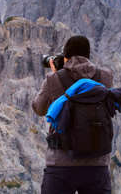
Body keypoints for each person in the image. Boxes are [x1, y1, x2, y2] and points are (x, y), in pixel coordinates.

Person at [32, 35, 113, 194]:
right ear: (88, 56)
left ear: (66, 57)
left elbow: (39, 108)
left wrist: (55, 76)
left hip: (61, 164)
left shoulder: (53, 79)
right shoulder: (105, 77)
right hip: (97, 164)